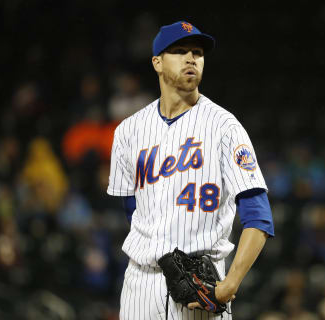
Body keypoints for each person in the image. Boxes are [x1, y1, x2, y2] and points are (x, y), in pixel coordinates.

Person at [107, 21, 275, 320]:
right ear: (157, 62)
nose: (191, 58)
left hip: (201, 288)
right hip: (140, 284)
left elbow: (258, 215)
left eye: (197, 52)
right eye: (179, 51)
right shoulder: (128, 131)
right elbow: (131, 208)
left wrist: (229, 285)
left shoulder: (224, 127)